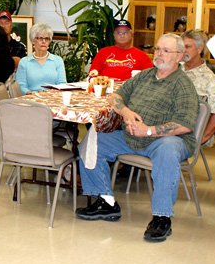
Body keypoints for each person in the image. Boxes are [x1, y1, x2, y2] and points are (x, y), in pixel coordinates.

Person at [76, 34, 199, 243]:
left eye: (165, 50)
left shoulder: (183, 85)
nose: (158, 54)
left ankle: (162, 217)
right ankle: (106, 201)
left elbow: (185, 124)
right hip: (131, 135)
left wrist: (149, 131)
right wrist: (125, 112)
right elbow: (115, 96)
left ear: (179, 56)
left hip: (164, 140)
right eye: (157, 49)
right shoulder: (145, 75)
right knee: (93, 139)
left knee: (168, 152)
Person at [181, 29, 215, 146]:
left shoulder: (210, 80)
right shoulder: (173, 69)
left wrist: (198, 140)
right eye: (181, 47)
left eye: (187, 47)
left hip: (184, 134)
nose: (183, 51)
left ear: (199, 49)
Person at [88, 19, 153, 81]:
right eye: (119, 33)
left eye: (125, 33)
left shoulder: (142, 56)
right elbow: (92, 74)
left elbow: (150, 78)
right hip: (106, 88)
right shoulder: (103, 52)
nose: (122, 36)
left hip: (129, 90)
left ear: (131, 34)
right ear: (114, 35)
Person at [15, 22, 66, 94]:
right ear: (33, 40)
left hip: (52, 98)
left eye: (47, 38)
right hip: (31, 100)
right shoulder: (24, 62)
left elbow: (62, 84)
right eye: (40, 38)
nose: (44, 41)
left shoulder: (58, 60)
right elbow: (21, 86)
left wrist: (50, 93)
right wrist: (31, 93)